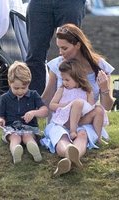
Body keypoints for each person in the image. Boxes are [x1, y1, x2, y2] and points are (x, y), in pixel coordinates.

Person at [40, 23, 114, 176]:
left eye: (65, 48)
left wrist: (105, 87)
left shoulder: (99, 66)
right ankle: (69, 154)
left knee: (83, 135)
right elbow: (47, 97)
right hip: (61, 119)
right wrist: (30, 110)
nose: (61, 52)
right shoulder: (57, 64)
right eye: (59, 48)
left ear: (78, 45)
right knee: (61, 136)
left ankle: (73, 155)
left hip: (85, 120)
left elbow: (106, 106)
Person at [25, 0, 86, 95]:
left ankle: (73, 99)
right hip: (39, 4)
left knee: (72, 54)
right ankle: (34, 103)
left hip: (70, 3)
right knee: (34, 55)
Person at [0, 61, 48, 164]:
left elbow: (45, 111)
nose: (20, 91)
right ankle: (16, 152)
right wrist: (0, 121)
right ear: (10, 83)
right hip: (11, 129)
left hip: (30, 128)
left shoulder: (33, 95)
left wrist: (34, 112)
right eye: (16, 88)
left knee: (27, 136)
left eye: (23, 88)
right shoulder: (4, 98)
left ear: (29, 83)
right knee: (14, 137)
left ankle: (35, 151)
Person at [50, 59, 108, 144]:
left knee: (99, 109)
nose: (64, 82)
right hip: (66, 120)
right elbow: (52, 105)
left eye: (67, 80)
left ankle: (98, 137)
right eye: (63, 79)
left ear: (77, 78)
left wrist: (82, 110)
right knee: (78, 103)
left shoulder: (87, 91)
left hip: (81, 119)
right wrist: (67, 105)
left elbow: (91, 106)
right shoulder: (62, 90)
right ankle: (72, 131)